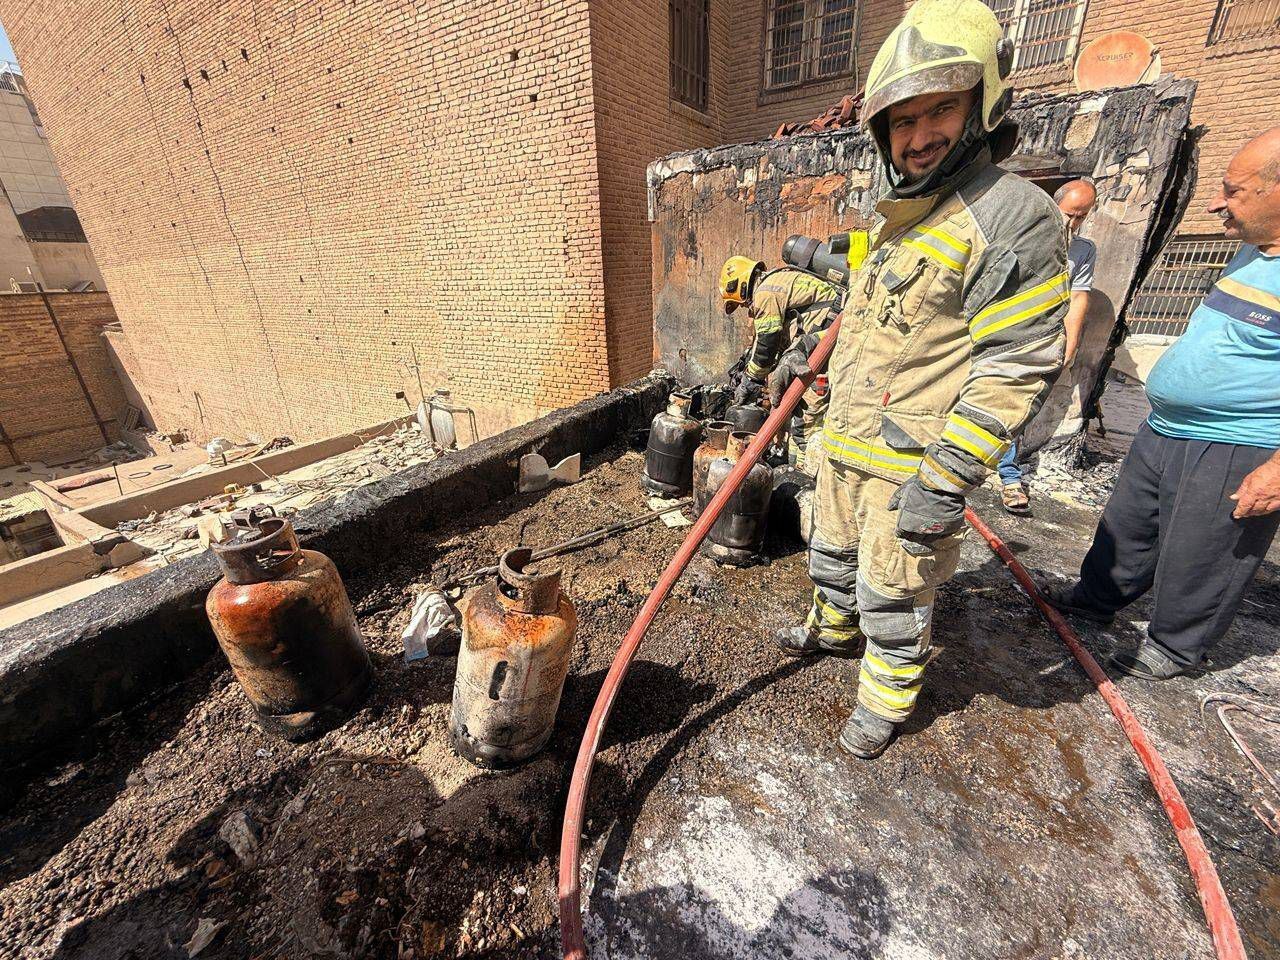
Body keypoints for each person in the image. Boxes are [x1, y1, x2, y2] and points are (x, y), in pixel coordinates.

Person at [767, 0, 1068, 760]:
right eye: (902, 121)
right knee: (829, 556)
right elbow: (870, 318)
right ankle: (832, 633)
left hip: (907, 468)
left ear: (982, 107)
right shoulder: (900, 215)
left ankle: (885, 699)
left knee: (895, 592)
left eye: (940, 110)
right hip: (847, 445)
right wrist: (815, 359)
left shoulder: (1010, 216)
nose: (919, 134)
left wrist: (948, 477)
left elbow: (1018, 364)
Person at [1041, 129, 1280, 680]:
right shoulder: (1251, 250)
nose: (1217, 202)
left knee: (1205, 549)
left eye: (1234, 190)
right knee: (1128, 525)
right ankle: (1095, 599)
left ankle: (1175, 646)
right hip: (1167, 425)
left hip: (1236, 441)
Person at [999, 179, 1098, 513]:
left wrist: (1069, 348)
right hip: (1001, 332)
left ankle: (1008, 476)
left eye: (1080, 218)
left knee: (1016, 406)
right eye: (1068, 214)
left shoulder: (1083, 252)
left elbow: (1079, 297)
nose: (1071, 224)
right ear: (1053, 206)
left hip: (1038, 339)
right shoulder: (1020, 236)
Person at [719, 255, 845, 472]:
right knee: (796, 410)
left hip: (823, 342)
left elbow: (767, 344)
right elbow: (763, 342)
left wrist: (751, 380)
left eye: (740, 303)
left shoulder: (766, 292)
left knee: (807, 414)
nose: (743, 307)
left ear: (739, 286)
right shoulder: (773, 286)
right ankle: (793, 467)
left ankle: (804, 476)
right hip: (814, 345)